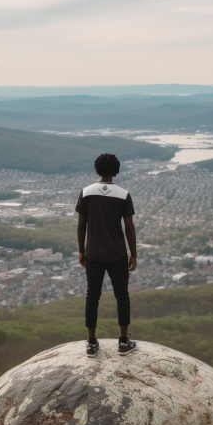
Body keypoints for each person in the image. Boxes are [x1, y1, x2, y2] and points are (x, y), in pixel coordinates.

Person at [75, 153, 137, 358]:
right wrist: (133, 254)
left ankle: (91, 343)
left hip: (93, 253)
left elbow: (81, 225)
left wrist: (81, 251)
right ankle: (123, 341)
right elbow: (129, 229)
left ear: (97, 169)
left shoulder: (86, 192)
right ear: (116, 170)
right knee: (122, 296)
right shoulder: (123, 194)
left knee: (92, 296)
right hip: (117, 254)